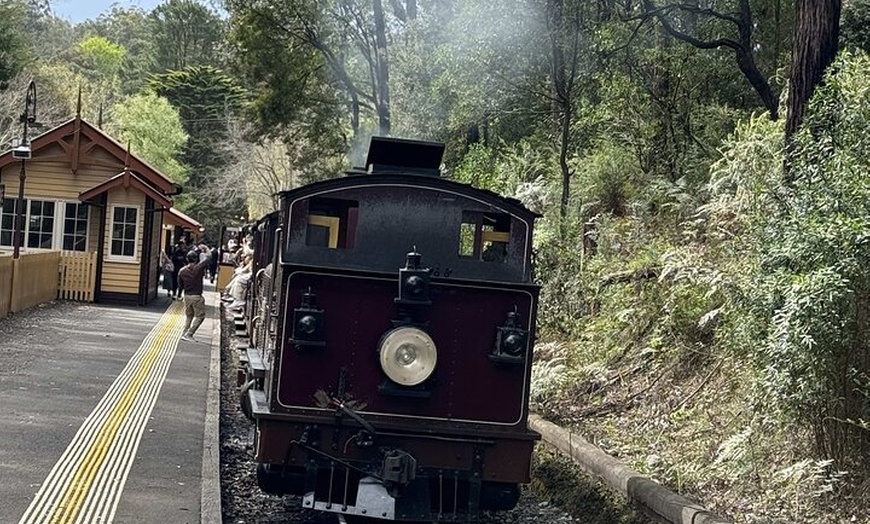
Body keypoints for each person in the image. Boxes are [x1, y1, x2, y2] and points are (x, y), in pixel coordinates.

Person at [178, 248, 210, 341]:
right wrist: (206, 248)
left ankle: (184, 333)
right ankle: (189, 334)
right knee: (200, 316)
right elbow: (209, 257)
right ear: (196, 259)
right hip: (196, 296)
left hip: (187, 296)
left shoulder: (182, 271)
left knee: (189, 315)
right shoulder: (198, 268)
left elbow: (180, 285)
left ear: (187, 259)